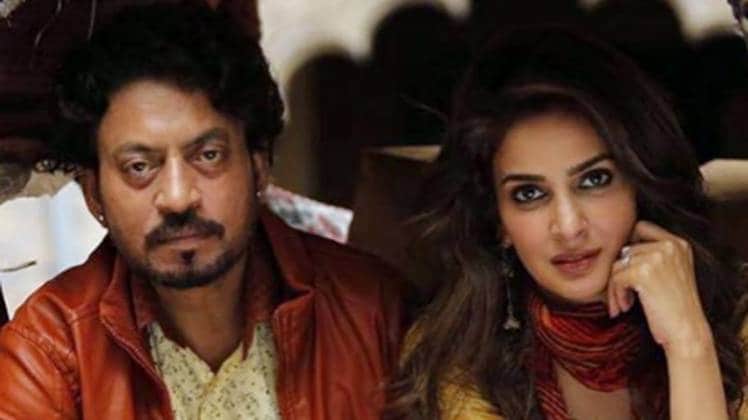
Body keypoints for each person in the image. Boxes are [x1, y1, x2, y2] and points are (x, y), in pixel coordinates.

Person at [0, 3, 403, 419]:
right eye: (139, 167)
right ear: (94, 194)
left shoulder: (373, 314)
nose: (178, 198)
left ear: (259, 166)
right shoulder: (49, 353)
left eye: (208, 155)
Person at [386, 27, 748, 420]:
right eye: (529, 194)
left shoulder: (739, 320)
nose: (569, 226)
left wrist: (689, 342)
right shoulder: (456, 357)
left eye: (594, 180)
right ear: (498, 220)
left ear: (640, 186)